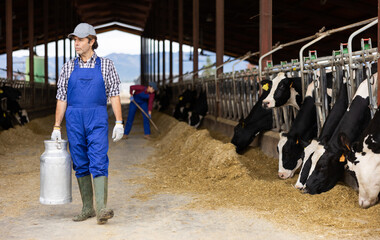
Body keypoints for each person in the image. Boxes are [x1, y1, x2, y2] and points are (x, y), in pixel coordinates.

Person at [50, 23, 124, 225]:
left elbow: (114, 95)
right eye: (74, 40)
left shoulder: (107, 65)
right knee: (80, 162)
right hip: (74, 119)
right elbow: (61, 98)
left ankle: (101, 208)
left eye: (80, 40)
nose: (76, 43)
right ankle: (87, 208)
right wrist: (57, 126)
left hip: (97, 117)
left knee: (98, 159)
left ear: (92, 41)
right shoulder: (68, 66)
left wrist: (119, 122)